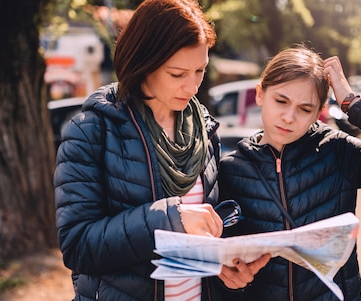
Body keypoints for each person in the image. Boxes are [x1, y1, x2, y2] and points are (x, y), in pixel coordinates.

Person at [53, 0, 269, 300]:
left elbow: (204, 233)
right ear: (144, 63)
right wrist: (169, 219)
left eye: (200, 70)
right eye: (178, 74)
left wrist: (224, 268)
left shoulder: (203, 130)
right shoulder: (90, 131)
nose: (192, 86)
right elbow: (78, 246)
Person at [218, 45, 361, 300]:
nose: (289, 117)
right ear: (260, 94)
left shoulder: (337, 152)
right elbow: (225, 262)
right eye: (281, 101)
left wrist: (352, 103)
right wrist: (233, 282)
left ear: (318, 111)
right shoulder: (231, 169)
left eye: (304, 108)